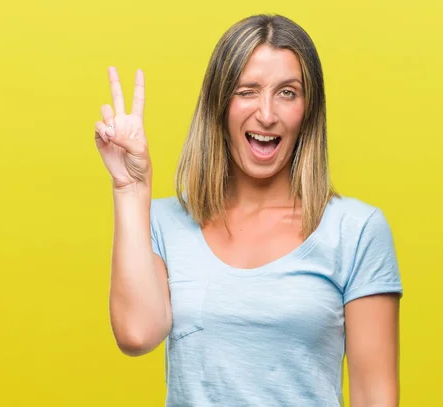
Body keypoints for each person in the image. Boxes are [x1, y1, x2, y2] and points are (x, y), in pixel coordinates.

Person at [94, 14, 402, 407]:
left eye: (288, 93)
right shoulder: (162, 224)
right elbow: (137, 333)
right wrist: (130, 188)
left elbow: (375, 396)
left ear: (308, 110)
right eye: (247, 91)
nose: (267, 114)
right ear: (219, 105)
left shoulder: (357, 230)